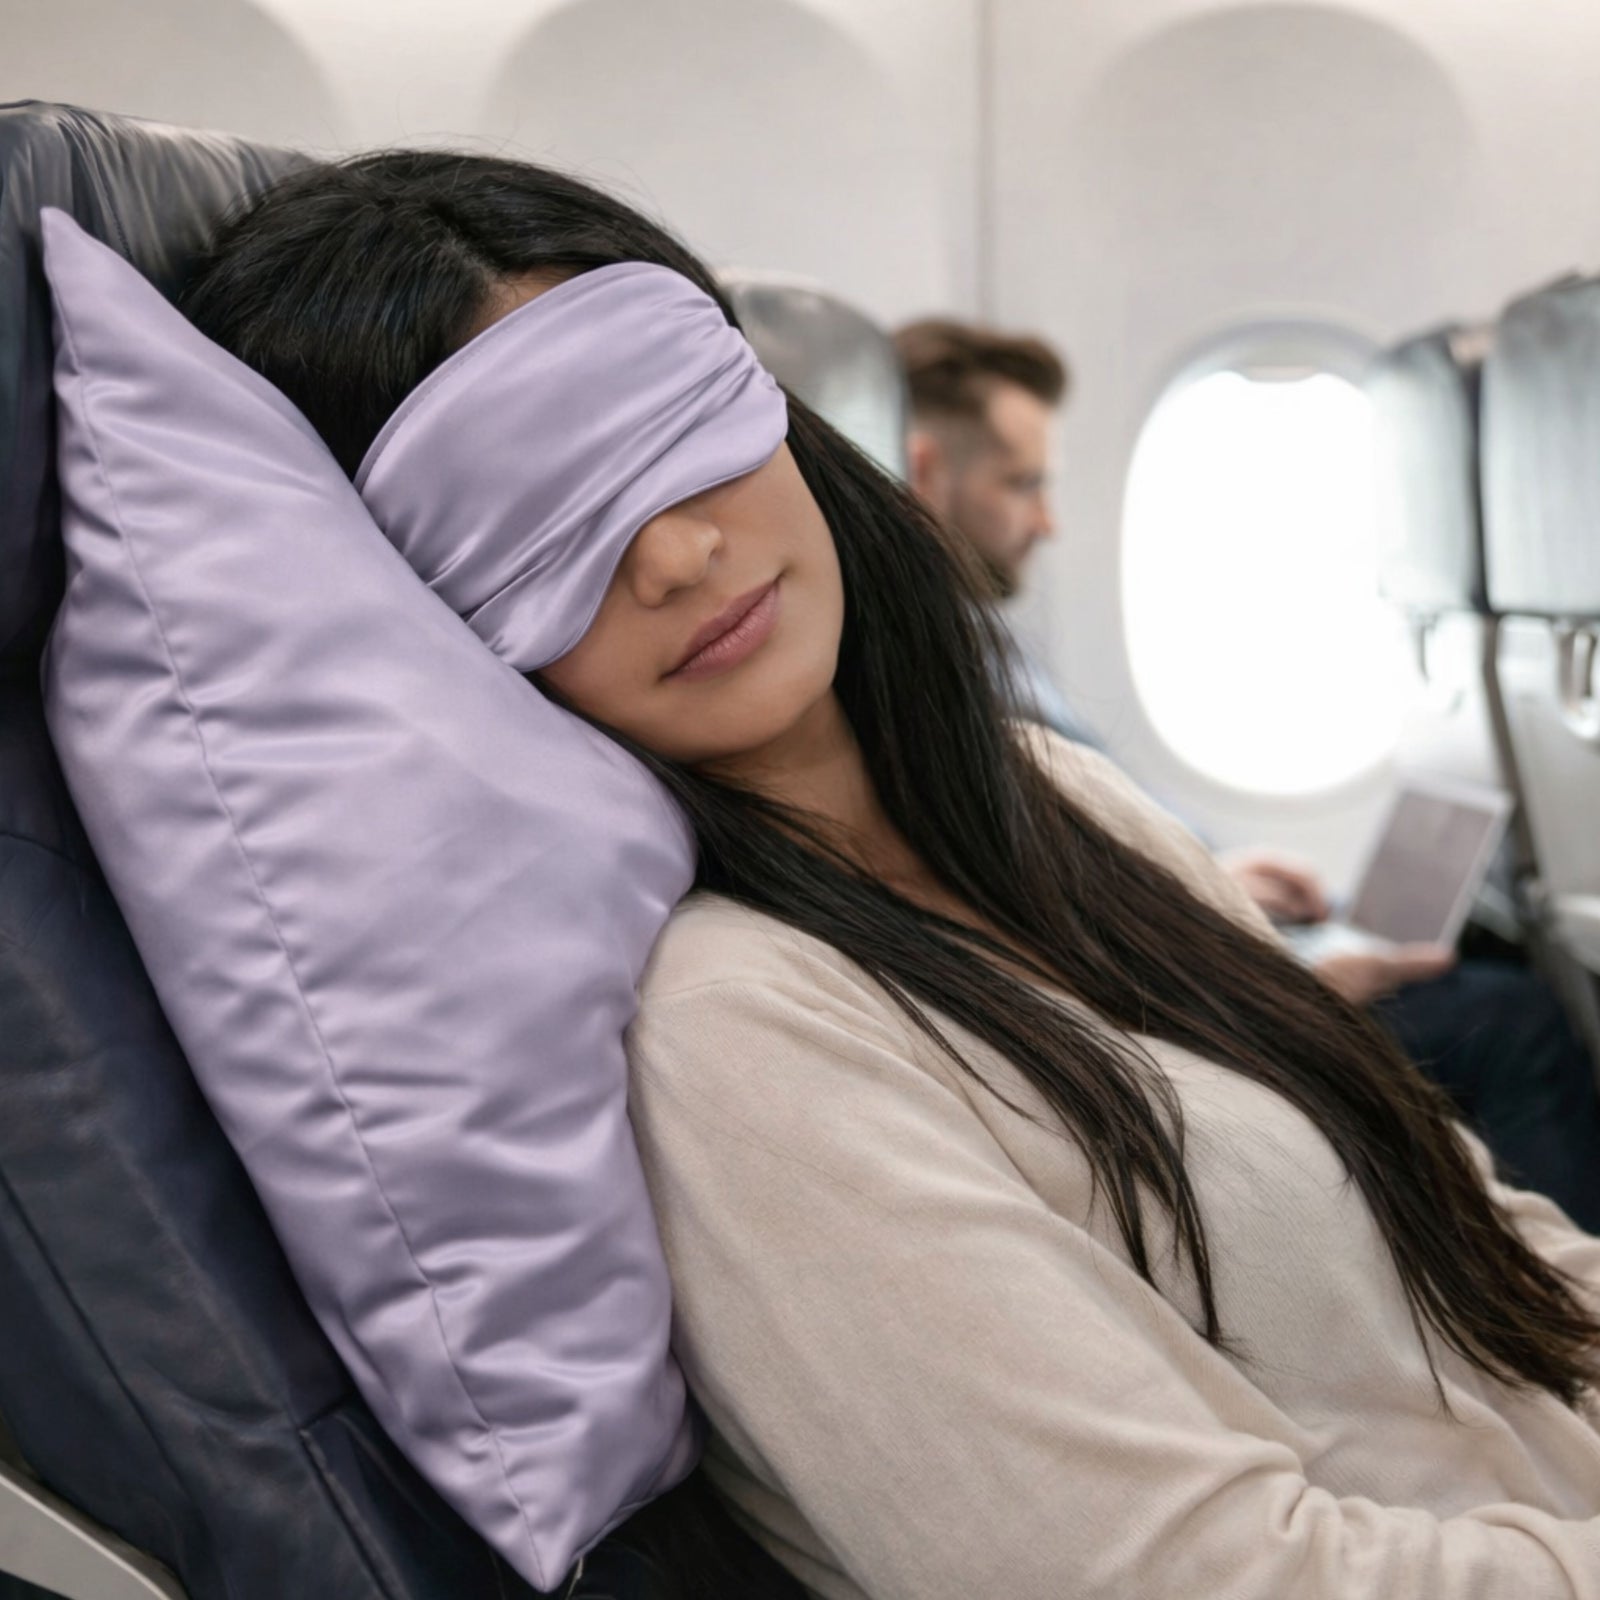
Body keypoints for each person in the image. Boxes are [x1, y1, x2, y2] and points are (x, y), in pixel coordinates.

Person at [181, 152, 1600, 1598]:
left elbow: (1489, 1243)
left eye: (655, 433)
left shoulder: (1050, 791)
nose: (671, 552)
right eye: (528, 520)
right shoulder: (734, 1034)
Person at [895, 314, 1600, 1232]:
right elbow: (1022, 910)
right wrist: (1239, 951)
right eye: (1023, 483)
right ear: (924, 472)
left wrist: (1220, 879)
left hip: (1193, 931)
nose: (1047, 519)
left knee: (1471, 954)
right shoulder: (931, 667)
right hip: (1171, 984)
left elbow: (1086, 837)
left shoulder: (981, 636)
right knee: (1512, 1025)